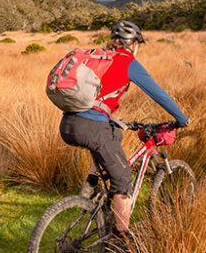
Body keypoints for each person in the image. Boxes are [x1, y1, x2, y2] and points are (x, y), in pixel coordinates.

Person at [58, 20, 189, 249]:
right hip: (91, 127)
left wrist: (115, 121)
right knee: (123, 181)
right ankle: (121, 241)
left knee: (113, 135)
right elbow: (158, 94)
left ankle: (91, 185)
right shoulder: (128, 62)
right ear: (134, 43)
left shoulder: (100, 57)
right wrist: (181, 118)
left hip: (68, 123)